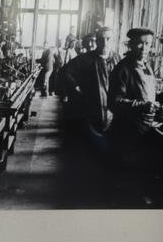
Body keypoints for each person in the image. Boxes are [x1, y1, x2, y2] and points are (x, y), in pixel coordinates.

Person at [108, 27, 163, 169]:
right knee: (128, 171)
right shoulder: (122, 68)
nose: (144, 48)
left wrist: (156, 102)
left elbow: (145, 93)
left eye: (148, 44)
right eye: (140, 43)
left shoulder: (147, 66)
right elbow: (114, 102)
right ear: (131, 44)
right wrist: (142, 105)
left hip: (145, 127)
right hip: (127, 131)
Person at [62, 27, 119, 152]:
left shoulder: (117, 59)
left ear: (113, 41)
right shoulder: (85, 59)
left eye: (108, 39)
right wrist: (76, 87)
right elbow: (66, 71)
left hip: (112, 110)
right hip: (90, 109)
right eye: (101, 39)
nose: (105, 42)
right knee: (89, 147)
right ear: (97, 41)